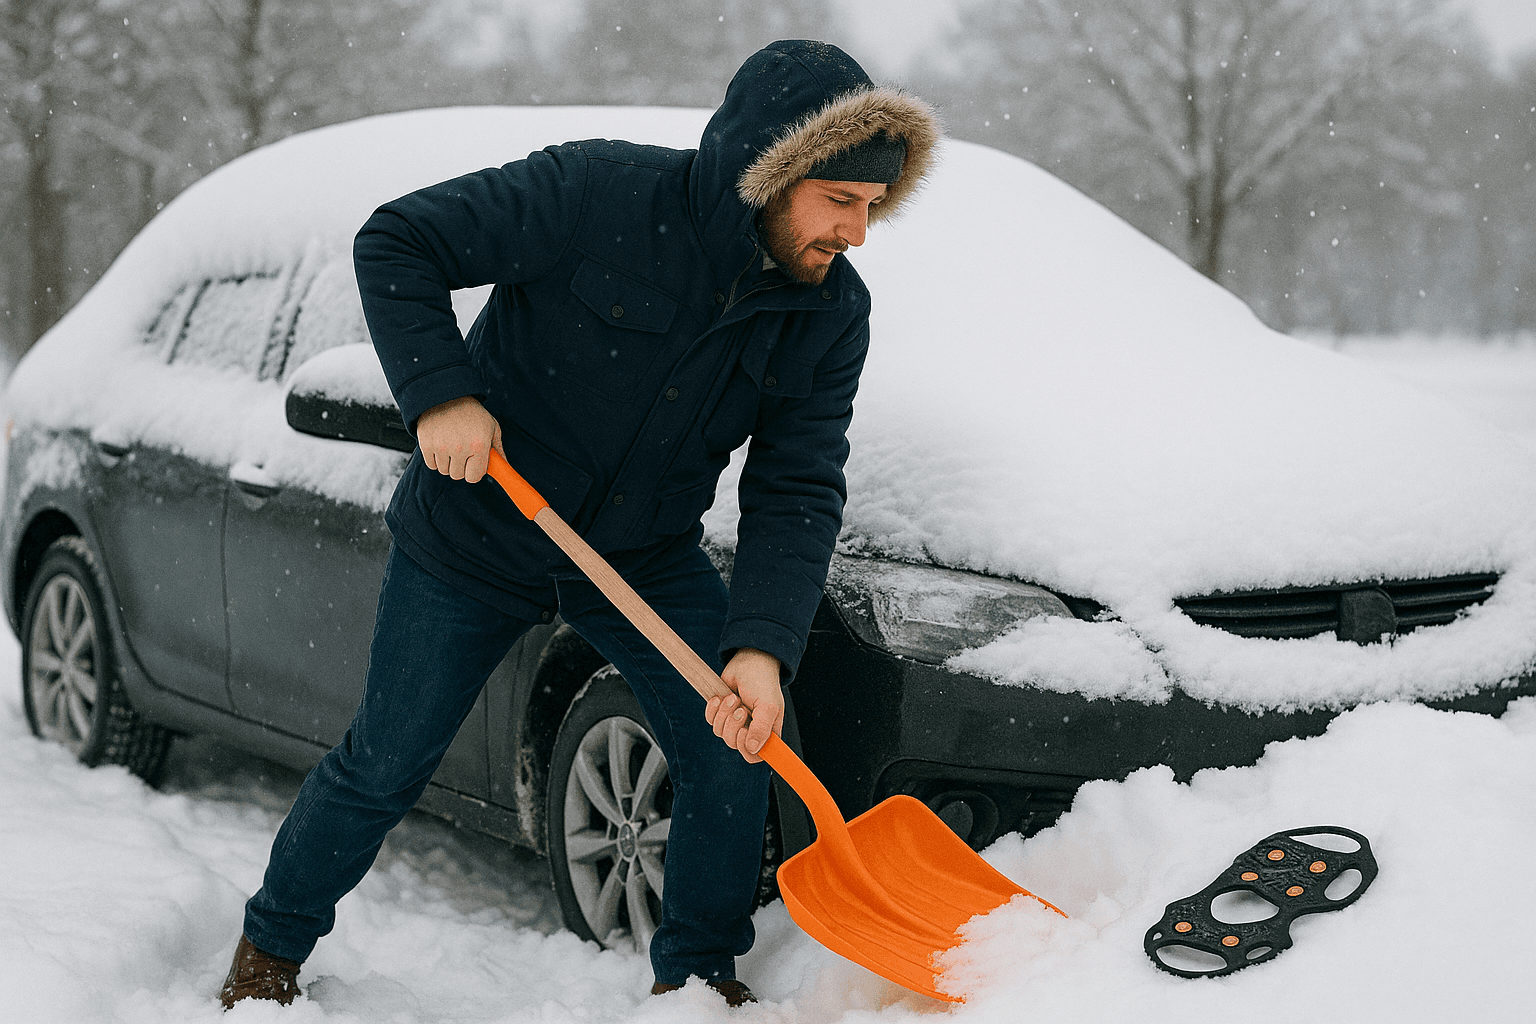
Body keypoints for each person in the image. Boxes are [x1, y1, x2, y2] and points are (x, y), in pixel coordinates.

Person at [219, 39, 939, 1010]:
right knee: (386, 760)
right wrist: (438, 396)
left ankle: (696, 977)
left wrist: (760, 647)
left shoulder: (828, 313)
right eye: (840, 201)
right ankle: (270, 948)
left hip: (640, 555)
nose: (856, 231)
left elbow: (798, 486)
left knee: (734, 746)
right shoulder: (596, 193)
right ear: (771, 173)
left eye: (871, 208)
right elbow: (399, 242)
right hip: (478, 531)